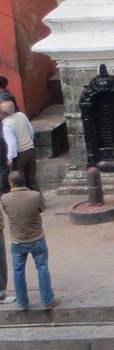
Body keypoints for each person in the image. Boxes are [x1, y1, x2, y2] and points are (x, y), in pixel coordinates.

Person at [3, 172, 52, 311]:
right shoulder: (35, 195)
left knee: (18, 271)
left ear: (11, 183)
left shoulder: (5, 199)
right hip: (37, 238)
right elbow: (42, 208)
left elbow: (8, 212)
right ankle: (47, 300)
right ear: (24, 181)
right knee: (42, 268)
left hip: (18, 240)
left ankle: (22, 302)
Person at [1, 102, 35, 192]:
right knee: (32, 179)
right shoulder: (21, 115)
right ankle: (39, 200)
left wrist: (10, 158)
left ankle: (23, 202)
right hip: (30, 149)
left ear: (5, 113)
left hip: (20, 154)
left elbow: (12, 143)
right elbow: (31, 130)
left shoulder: (7, 125)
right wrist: (29, 142)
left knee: (18, 180)